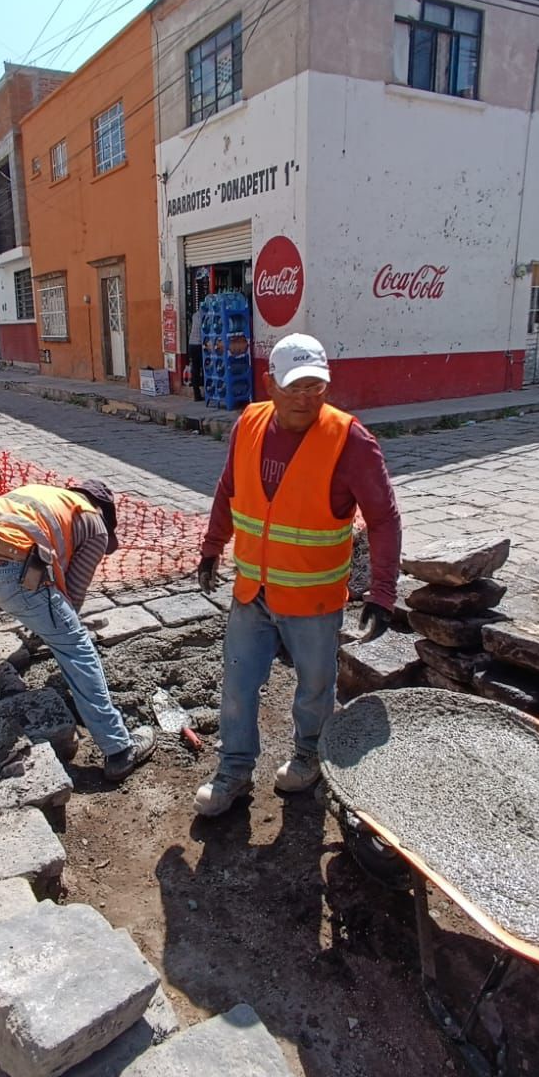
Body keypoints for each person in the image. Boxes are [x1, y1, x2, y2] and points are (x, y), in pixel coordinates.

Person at [194, 334, 402, 816]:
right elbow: (229, 488)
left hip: (313, 601)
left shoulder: (350, 441)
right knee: (238, 685)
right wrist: (211, 548)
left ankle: (309, 755)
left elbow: (384, 518)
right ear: (270, 384)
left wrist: (382, 592)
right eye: (294, 387)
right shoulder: (248, 423)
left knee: (314, 687)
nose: (307, 398)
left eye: (316, 387)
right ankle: (234, 770)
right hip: (253, 590)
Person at [0, 479, 156, 782]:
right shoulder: (94, 523)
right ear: (103, 511)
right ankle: (119, 749)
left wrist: (43, 616)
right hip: (5, 561)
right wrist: (57, 628)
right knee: (76, 646)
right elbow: (73, 595)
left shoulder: (45, 494)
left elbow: (37, 568)